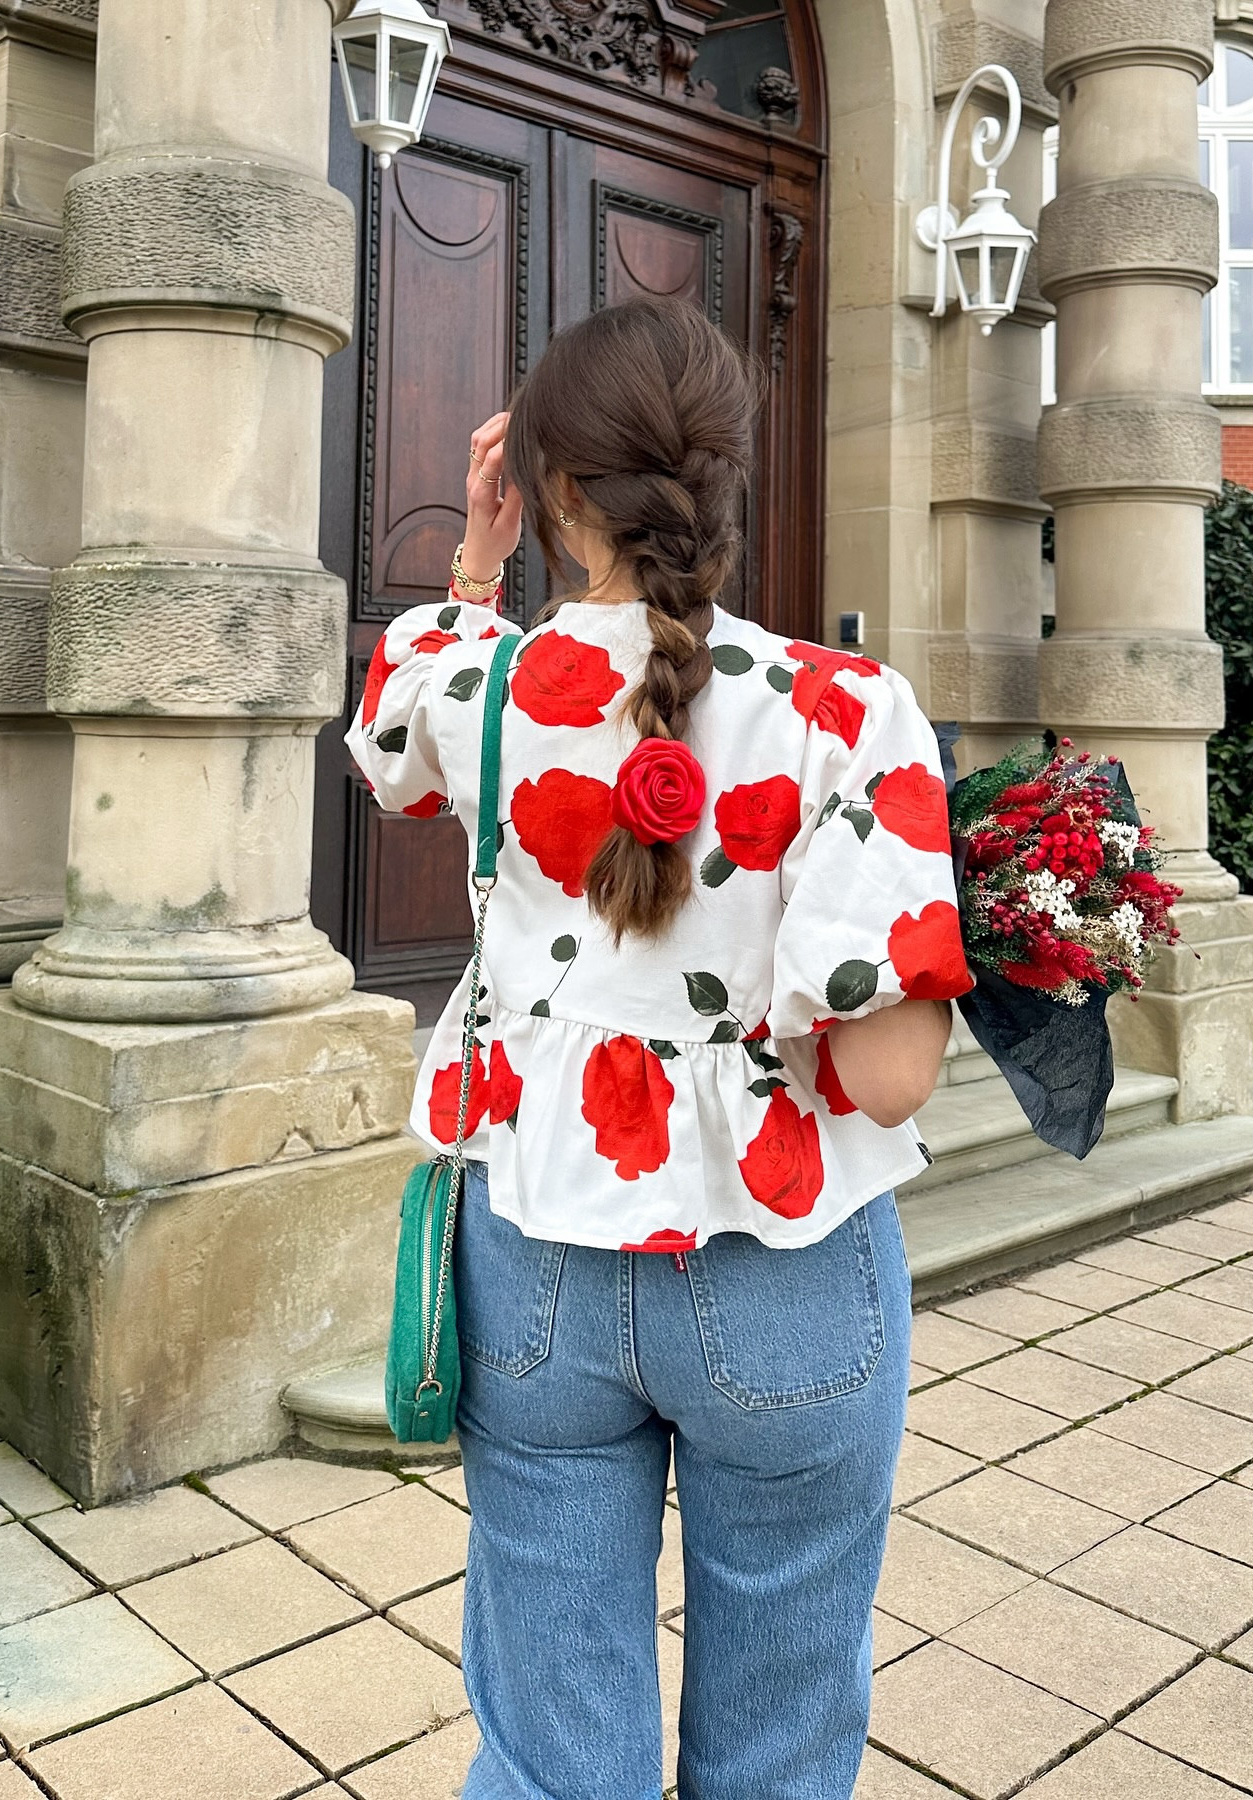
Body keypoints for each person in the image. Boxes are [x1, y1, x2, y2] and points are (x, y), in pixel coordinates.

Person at [347, 296, 971, 1800]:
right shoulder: (849, 710)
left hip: (537, 1262)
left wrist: (477, 566)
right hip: (788, 1273)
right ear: (728, 477)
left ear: (557, 491)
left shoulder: (482, 691)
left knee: (554, 1744)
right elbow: (886, 1075)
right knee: (783, 1727)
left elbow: (386, 739)